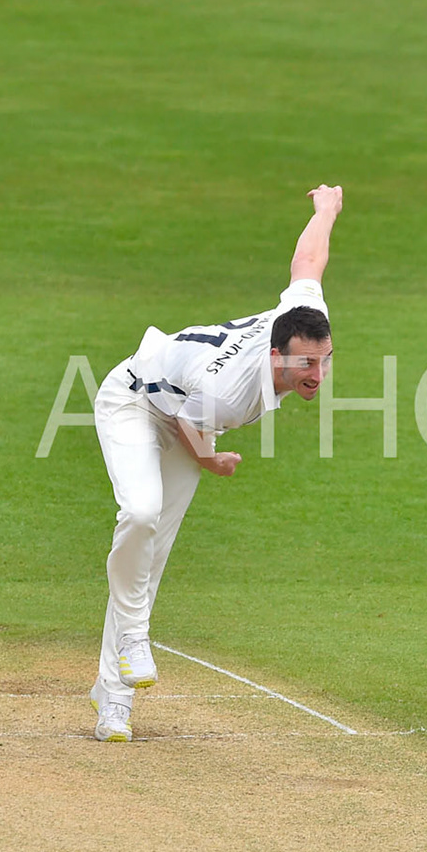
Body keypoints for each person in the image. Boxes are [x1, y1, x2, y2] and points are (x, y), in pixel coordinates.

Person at [88, 185, 343, 742]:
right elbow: (190, 423)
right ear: (276, 356)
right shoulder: (230, 391)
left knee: (149, 558)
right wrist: (213, 462)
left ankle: (113, 701)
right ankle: (134, 636)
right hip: (135, 401)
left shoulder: (305, 317)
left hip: (185, 409)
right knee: (140, 512)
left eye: (324, 361)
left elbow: (308, 261)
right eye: (306, 364)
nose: (317, 375)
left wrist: (325, 210)